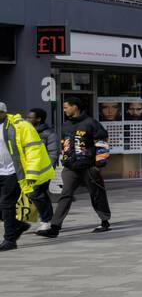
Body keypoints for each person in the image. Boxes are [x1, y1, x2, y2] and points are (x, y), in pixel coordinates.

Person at [39, 96, 111, 237]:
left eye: (66, 107)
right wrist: (64, 158)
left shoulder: (91, 123)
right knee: (65, 195)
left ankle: (105, 221)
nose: (64, 110)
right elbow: (64, 143)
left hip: (89, 168)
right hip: (70, 168)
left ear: (75, 107)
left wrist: (99, 165)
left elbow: (102, 143)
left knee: (97, 194)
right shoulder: (66, 125)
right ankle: (55, 227)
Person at [1, 102, 56, 251]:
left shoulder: (21, 126)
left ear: (3, 113)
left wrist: (32, 173)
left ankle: (10, 240)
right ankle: (18, 225)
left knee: (7, 204)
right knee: (3, 207)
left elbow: (34, 151)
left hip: (13, 172)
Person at [25, 108, 59, 229]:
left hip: (42, 171)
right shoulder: (27, 132)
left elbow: (53, 154)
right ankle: (43, 219)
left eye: (30, 117)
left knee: (36, 194)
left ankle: (46, 220)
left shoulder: (49, 134)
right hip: (28, 170)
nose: (27, 119)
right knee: (36, 194)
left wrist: (46, 170)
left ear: (38, 119)